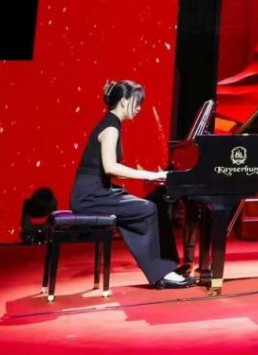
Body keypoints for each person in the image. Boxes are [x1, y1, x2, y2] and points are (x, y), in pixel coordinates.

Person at [71, 80, 189, 289]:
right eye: (137, 102)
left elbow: (108, 169)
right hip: (90, 196)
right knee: (148, 209)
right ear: (124, 101)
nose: (139, 108)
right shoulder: (110, 127)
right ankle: (162, 273)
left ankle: (169, 266)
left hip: (99, 192)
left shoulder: (112, 124)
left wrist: (150, 176)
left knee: (155, 204)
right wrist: (150, 175)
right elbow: (110, 167)